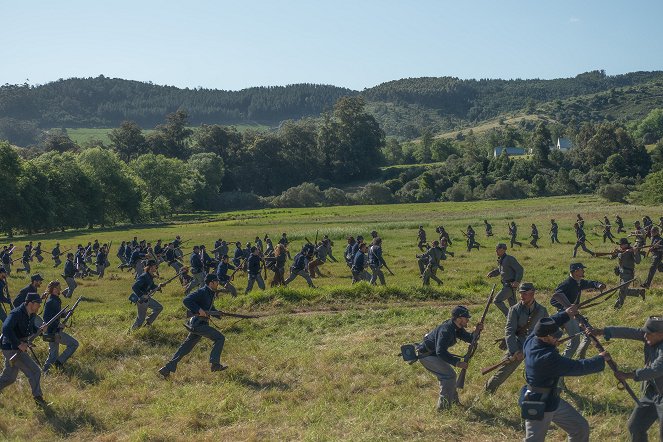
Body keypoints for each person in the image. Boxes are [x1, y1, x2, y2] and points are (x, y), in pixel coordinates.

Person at [520, 307, 609, 441]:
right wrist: (600, 359)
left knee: (579, 428)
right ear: (544, 338)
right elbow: (578, 367)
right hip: (538, 404)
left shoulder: (532, 338)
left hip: (551, 399)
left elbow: (549, 321)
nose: (557, 338)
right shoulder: (547, 358)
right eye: (554, 336)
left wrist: (566, 314)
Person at [594, 316, 663, 441]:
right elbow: (630, 332)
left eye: (648, 334)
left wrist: (628, 375)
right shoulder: (651, 336)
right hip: (652, 392)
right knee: (635, 427)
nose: (644, 336)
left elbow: (656, 370)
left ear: (660, 334)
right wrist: (602, 331)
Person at [159, 274, 227, 378]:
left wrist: (218, 313)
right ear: (211, 282)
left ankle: (166, 369)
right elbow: (186, 300)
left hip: (200, 324)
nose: (218, 283)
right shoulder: (202, 291)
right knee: (220, 338)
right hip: (198, 323)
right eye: (216, 281)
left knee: (185, 348)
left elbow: (209, 307)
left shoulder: (210, 293)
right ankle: (215, 364)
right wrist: (198, 310)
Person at [485, 282, 548, 393]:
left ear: (532, 293)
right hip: (518, 344)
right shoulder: (514, 309)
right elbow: (509, 331)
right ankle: (487, 392)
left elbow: (547, 328)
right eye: (520, 293)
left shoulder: (542, 310)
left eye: (525, 293)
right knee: (503, 373)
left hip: (535, 345)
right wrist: (514, 351)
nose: (522, 296)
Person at [417, 305, 484, 410]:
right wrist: (457, 363)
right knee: (449, 376)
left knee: (450, 376)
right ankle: (443, 408)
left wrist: (477, 332)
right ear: (458, 319)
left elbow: (470, 339)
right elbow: (440, 352)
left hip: (434, 354)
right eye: (466, 318)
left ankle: (453, 402)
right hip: (427, 356)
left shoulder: (457, 327)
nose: (467, 320)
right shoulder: (446, 330)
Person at [0, 292, 48, 406]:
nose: (39, 306)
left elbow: (30, 328)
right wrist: (18, 344)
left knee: (9, 378)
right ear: (30, 303)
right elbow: (6, 329)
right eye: (38, 304)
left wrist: (40, 330)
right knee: (34, 371)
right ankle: (38, 400)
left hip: (15, 348)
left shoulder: (31, 315)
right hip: (11, 348)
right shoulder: (16, 313)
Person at [551, 263, 605, 360]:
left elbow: (590, 283)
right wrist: (567, 308)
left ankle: (580, 359)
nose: (583, 271)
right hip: (566, 315)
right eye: (581, 270)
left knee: (589, 334)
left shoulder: (578, 282)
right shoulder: (565, 284)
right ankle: (563, 362)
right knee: (575, 341)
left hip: (574, 314)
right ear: (576, 271)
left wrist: (599, 285)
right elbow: (553, 300)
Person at [42, 281, 79, 372]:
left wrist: (66, 313)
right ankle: (58, 363)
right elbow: (47, 319)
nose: (60, 289)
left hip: (53, 331)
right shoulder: (52, 301)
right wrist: (59, 325)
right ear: (54, 289)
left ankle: (45, 372)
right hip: (53, 332)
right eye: (59, 287)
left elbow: (56, 314)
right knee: (74, 344)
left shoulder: (55, 299)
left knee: (52, 355)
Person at [487, 244, 524, 316]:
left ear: (503, 250)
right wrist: (493, 273)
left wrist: (517, 281)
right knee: (514, 307)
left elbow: (520, 269)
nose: (496, 251)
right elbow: (501, 270)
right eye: (496, 249)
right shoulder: (501, 259)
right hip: (506, 285)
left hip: (510, 286)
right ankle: (519, 320)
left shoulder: (509, 259)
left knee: (497, 301)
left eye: (498, 249)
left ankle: (509, 316)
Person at [612, 238, 646, 309]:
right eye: (620, 245)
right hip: (621, 273)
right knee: (623, 290)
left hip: (628, 274)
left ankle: (617, 307)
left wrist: (636, 252)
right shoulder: (620, 250)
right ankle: (639, 292)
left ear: (626, 244)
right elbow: (611, 257)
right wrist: (613, 253)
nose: (620, 246)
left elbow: (638, 261)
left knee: (622, 290)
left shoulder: (631, 250)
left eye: (621, 245)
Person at [130, 260, 164, 330]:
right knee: (140, 320)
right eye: (155, 266)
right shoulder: (144, 276)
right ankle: (130, 334)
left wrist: (159, 287)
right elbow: (134, 286)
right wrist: (142, 295)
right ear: (150, 267)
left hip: (147, 299)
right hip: (142, 300)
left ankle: (148, 323)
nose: (156, 268)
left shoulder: (149, 276)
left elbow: (151, 286)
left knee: (159, 307)